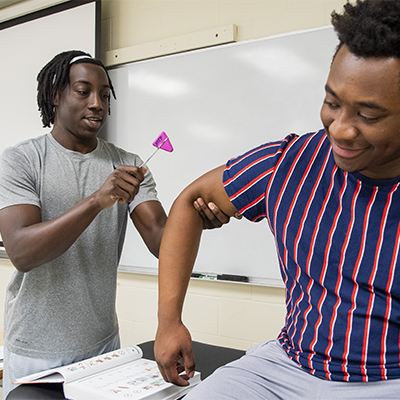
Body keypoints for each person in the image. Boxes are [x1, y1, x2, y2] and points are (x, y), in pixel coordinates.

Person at [154, 0, 400, 398]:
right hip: (284, 365)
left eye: (368, 116)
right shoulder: (289, 164)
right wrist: (169, 322)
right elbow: (190, 203)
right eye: (332, 103)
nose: (340, 129)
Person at [0, 50, 234, 399]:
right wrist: (98, 200)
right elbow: (22, 252)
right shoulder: (21, 160)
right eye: (84, 91)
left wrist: (195, 220)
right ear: (55, 96)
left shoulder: (129, 164)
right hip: (35, 351)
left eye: (105, 96)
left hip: (105, 346)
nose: (97, 104)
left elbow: (160, 240)